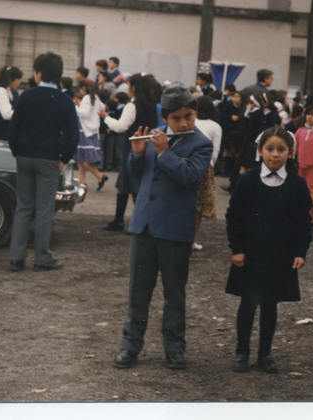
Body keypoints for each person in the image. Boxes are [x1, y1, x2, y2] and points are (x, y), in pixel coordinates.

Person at [113, 83, 213, 370]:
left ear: (195, 114)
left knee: (174, 294)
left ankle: (174, 348)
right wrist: (135, 153)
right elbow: (138, 174)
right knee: (138, 292)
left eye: (188, 117)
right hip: (144, 227)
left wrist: (165, 152)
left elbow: (191, 178)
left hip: (175, 231)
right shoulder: (154, 136)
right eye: (176, 118)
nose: (183, 123)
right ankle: (130, 345)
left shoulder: (201, 143)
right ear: (165, 118)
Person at [225, 126, 312, 373]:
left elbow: (302, 222)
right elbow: (235, 217)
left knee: (270, 305)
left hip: (280, 255)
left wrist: (300, 251)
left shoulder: (296, 184)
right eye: (270, 149)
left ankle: (265, 354)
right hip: (250, 254)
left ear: (290, 153)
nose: (275, 155)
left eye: (281, 150)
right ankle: (242, 352)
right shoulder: (247, 181)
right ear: (259, 151)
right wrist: (237, 249)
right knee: (248, 302)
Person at [8, 52, 79, 272]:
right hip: (49, 159)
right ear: (58, 75)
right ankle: (42, 258)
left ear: (38, 74)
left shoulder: (26, 96)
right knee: (45, 210)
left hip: (24, 156)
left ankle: (16, 258)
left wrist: (16, 151)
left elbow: (13, 129)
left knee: (23, 207)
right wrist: (63, 159)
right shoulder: (65, 100)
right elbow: (72, 135)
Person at [99, 73, 158, 232]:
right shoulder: (150, 104)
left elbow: (120, 127)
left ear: (134, 88)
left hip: (131, 147)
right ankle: (120, 220)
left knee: (132, 187)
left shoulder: (132, 106)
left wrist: (105, 117)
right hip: (145, 147)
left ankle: (141, 223)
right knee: (125, 185)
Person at [193, 95, 222, 250]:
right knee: (199, 206)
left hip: (187, 163)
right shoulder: (215, 126)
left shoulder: (192, 122)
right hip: (205, 167)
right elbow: (215, 152)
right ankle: (193, 239)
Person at [75, 79, 108, 191]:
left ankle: (99, 176)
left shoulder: (86, 98)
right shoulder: (96, 98)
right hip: (91, 130)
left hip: (84, 130)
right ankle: (82, 182)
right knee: (81, 159)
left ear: (84, 88)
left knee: (83, 159)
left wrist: (74, 107)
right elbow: (103, 108)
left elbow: (84, 113)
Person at [0, 66, 23, 140]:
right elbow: (6, 114)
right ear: (10, 79)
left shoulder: (12, 92)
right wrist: (24, 113)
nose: (19, 82)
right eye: (18, 79)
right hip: (0, 134)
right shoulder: (1, 91)